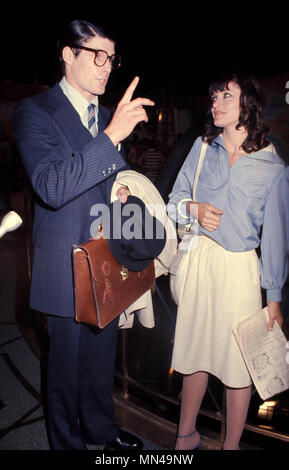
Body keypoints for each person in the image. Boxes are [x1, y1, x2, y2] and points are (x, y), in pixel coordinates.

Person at [13, 19, 154, 450]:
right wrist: (111, 137)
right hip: (64, 261)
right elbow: (52, 186)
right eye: (96, 54)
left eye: (110, 57)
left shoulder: (108, 115)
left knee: (100, 361)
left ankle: (102, 432)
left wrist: (124, 186)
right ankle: (68, 443)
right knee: (65, 368)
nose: (105, 66)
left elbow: (106, 177)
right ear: (68, 54)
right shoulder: (35, 112)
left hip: (106, 258)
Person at [167, 72, 288, 450]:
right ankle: (185, 438)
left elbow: (277, 238)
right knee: (195, 356)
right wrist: (194, 211)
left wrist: (274, 297)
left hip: (240, 270)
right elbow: (173, 202)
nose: (215, 102)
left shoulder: (273, 166)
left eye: (225, 95)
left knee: (239, 367)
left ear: (248, 104)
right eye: (213, 95)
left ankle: (230, 445)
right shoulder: (203, 148)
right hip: (201, 262)